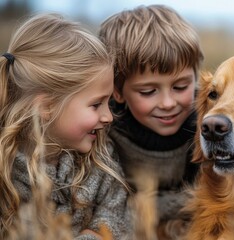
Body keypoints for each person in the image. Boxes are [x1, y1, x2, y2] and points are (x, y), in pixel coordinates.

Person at [0, 14, 130, 239]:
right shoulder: (6, 172)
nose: (108, 117)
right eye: (96, 104)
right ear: (47, 107)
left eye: (108, 103)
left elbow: (115, 210)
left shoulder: (99, 158)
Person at [98, 4, 204, 237]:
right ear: (117, 91)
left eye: (181, 86)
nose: (168, 103)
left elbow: (210, 196)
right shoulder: (106, 132)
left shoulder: (206, 125)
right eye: (148, 92)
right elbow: (111, 209)